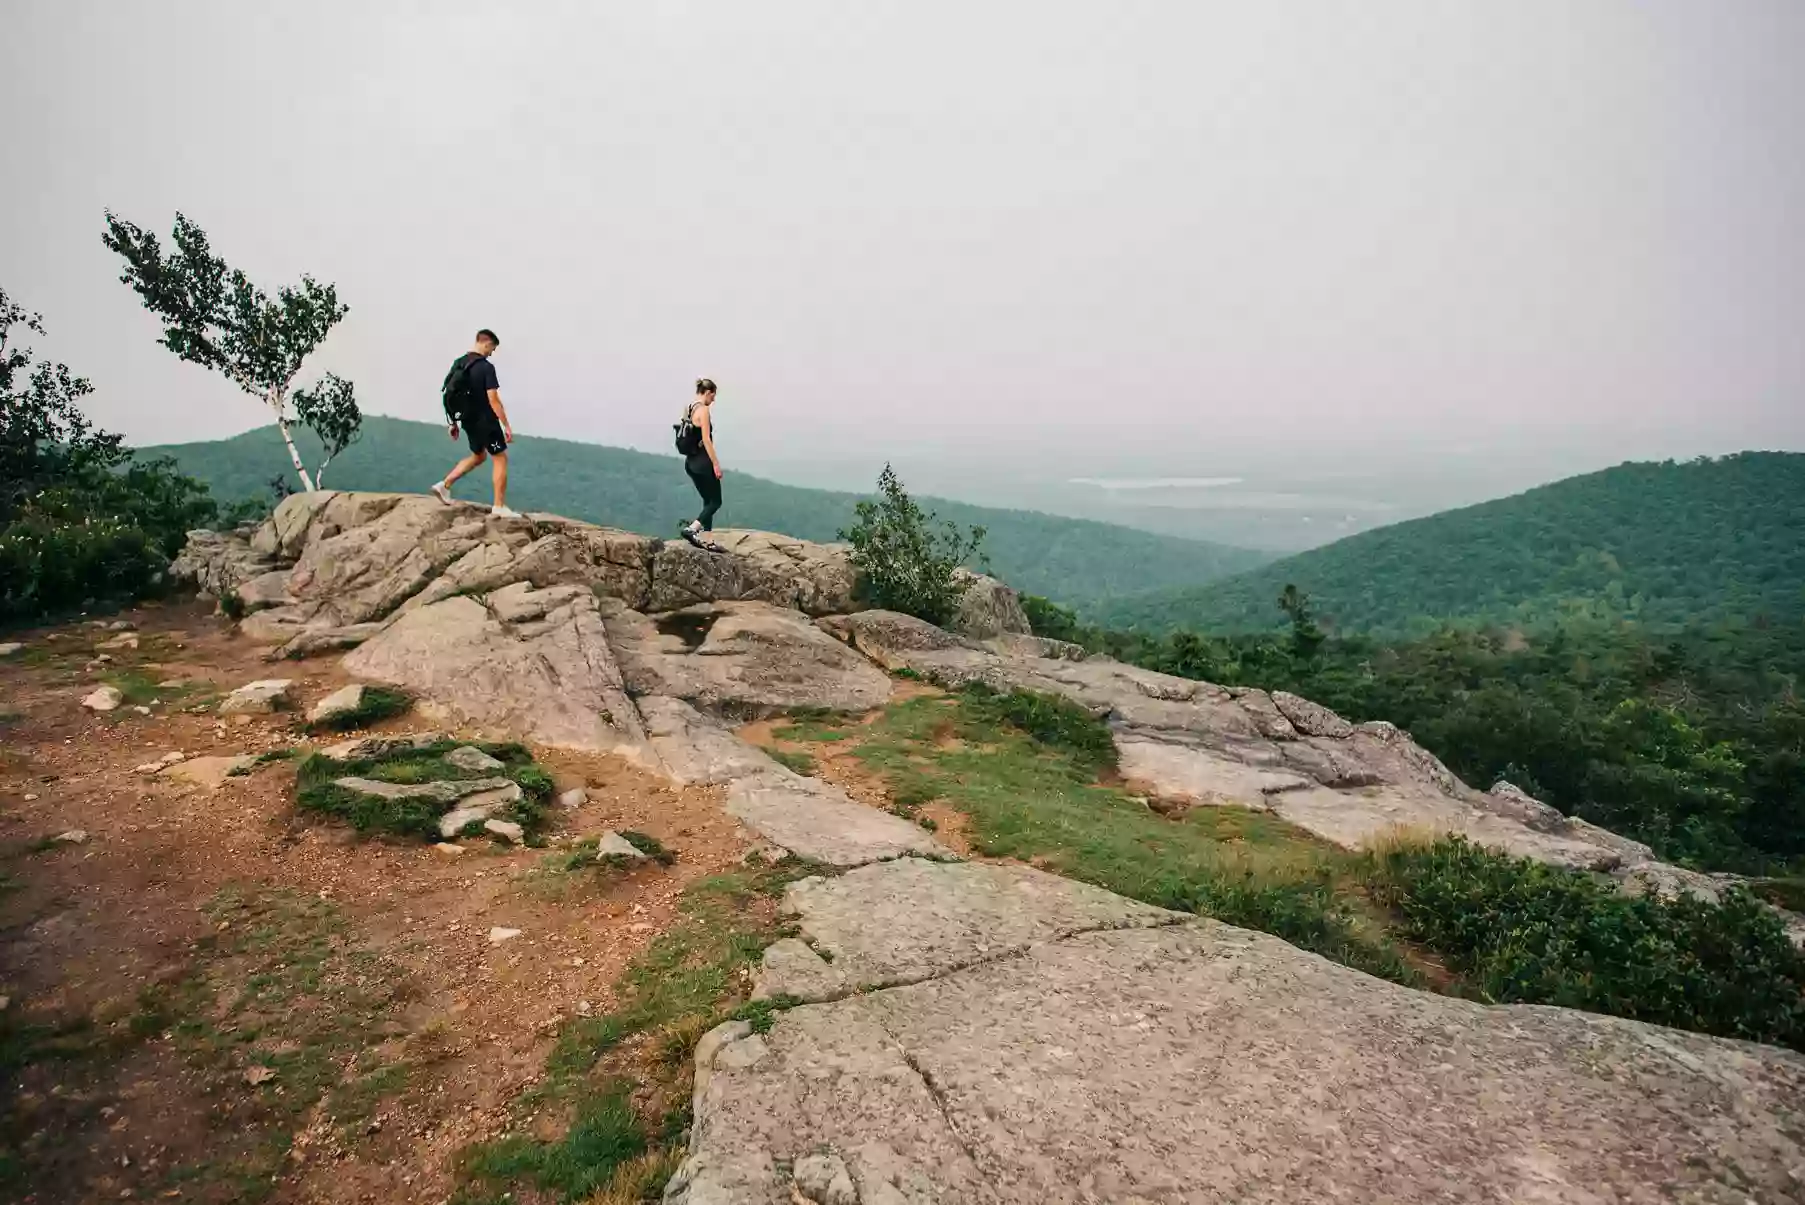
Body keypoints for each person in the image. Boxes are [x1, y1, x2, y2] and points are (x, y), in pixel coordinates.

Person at [430, 329, 518, 517]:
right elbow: (493, 399)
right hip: (485, 420)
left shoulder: (460, 363)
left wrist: (453, 422)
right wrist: (506, 425)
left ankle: (444, 485)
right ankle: (499, 506)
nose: (491, 353)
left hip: (467, 420)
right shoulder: (486, 368)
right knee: (500, 458)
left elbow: (449, 393)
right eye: (492, 349)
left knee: (479, 456)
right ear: (486, 344)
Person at [677, 378, 723, 550]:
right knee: (716, 501)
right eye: (713, 396)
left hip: (691, 462)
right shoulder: (703, 411)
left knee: (707, 500)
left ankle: (708, 540)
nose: (714, 400)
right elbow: (706, 439)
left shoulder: (688, 408)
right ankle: (692, 529)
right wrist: (716, 464)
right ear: (708, 392)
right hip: (704, 462)